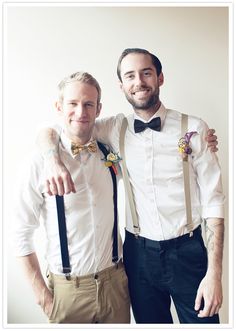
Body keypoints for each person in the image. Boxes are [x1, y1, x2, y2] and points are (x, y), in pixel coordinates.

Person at [37, 48, 224, 324]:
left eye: (146, 73)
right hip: (138, 257)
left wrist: (214, 274)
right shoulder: (114, 127)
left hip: (189, 252)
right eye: (130, 76)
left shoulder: (193, 129)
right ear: (121, 85)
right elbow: (56, 129)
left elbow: (214, 202)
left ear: (160, 78)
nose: (139, 82)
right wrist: (51, 158)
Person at [12, 71, 130, 324]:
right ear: (59, 107)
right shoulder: (38, 163)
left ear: (99, 109)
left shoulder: (110, 152)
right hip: (68, 292)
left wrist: (200, 142)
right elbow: (20, 234)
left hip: (116, 285)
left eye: (88, 104)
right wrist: (43, 297)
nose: (81, 112)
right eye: (72, 104)